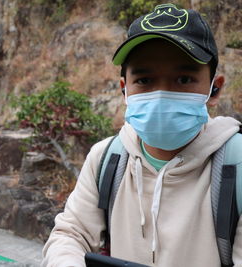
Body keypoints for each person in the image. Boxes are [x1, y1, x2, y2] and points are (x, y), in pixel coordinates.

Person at [42, 3, 242, 267]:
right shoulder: (106, 159)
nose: (161, 94)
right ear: (124, 90)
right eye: (145, 81)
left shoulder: (236, 165)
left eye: (183, 79)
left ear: (214, 90)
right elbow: (70, 234)